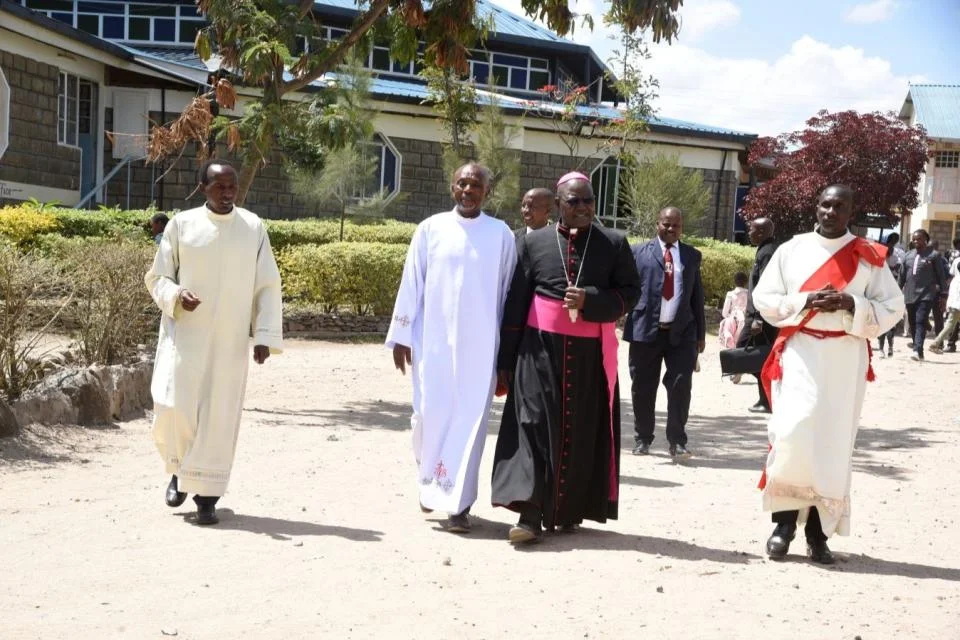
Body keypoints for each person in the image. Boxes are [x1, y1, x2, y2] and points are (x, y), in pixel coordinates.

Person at [754, 185, 904, 564]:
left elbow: (894, 308)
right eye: (825, 204)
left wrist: (852, 302)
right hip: (801, 350)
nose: (831, 211)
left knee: (833, 444)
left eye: (839, 206)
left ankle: (819, 534)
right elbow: (765, 298)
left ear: (851, 210)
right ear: (816, 207)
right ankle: (783, 525)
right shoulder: (792, 250)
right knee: (794, 434)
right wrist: (805, 301)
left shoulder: (869, 256)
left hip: (844, 356)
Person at [491, 172, 640, 543]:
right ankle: (529, 513)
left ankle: (570, 510)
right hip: (537, 350)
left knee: (581, 429)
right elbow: (516, 304)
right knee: (533, 425)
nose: (583, 207)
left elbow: (631, 293)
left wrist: (592, 300)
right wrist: (505, 362)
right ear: (558, 204)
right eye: (574, 201)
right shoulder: (534, 242)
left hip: (589, 355)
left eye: (588, 200)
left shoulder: (614, 243)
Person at [145, 159, 283, 526]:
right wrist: (176, 294)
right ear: (202, 187)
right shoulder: (181, 225)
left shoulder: (252, 227)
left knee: (219, 416)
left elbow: (267, 284)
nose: (227, 193)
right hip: (185, 334)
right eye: (220, 186)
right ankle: (178, 470)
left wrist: (264, 335)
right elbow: (158, 277)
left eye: (232, 187)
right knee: (174, 405)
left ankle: (207, 498)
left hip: (230, 341)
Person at [386, 162, 516, 534]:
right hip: (434, 344)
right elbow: (412, 282)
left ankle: (459, 505)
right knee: (428, 415)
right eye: (462, 183)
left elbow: (507, 294)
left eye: (476, 185)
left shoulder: (500, 235)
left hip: (480, 350)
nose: (468, 190)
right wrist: (402, 335)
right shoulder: (430, 230)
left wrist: (505, 353)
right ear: (452, 187)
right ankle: (429, 484)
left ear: (487, 192)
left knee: (471, 423)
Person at [623, 207, 706, 458]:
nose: (671, 229)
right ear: (657, 224)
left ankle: (677, 441)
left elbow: (696, 296)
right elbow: (627, 289)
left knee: (681, 386)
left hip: (682, 333)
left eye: (676, 226)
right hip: (645, 331)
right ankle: (643, 438)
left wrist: (700, 335)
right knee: (643, 387)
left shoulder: (691, 256)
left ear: (682, 227)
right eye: (666, 225)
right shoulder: (638, 252)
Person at [737, 217, 778, 412]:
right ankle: (766, 398)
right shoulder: (764, 250)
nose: (748, 233)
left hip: (760, 318)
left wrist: (758, 318)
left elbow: (766, 287)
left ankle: (769, 398)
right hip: (755, 315)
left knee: (747, 354)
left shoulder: (768, 253)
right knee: (753, 357)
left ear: (761, 232)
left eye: (751, 229)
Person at [898, 229, 948, 361]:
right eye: (914, 239)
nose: (916, 241)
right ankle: (918, 350)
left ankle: (916, 350)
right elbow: (902, 277)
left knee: (921, 321)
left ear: (925, 239)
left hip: (926, 294)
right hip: (909, 294)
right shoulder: (907, 256)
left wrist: (943, 295)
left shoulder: (934, 255)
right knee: (913, 323)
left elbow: (941, 276)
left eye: (919, 239)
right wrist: (897, 291)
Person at [877, 232, 904, 357]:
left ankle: (888, 347)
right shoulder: (880, 252)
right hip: (883, 291)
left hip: (891, 291)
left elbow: (900, 270)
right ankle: (883, 348)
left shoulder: (898, 254)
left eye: (894, 241)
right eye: (890, 241)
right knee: (884, 320)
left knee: (888, 321)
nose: (892, 244)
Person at [930, 254, 960, 355]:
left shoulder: (955, 277)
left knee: (950, 325)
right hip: (957, 304)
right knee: (950, 325)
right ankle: (935, 343)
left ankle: (936, 343)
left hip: (953, 302)